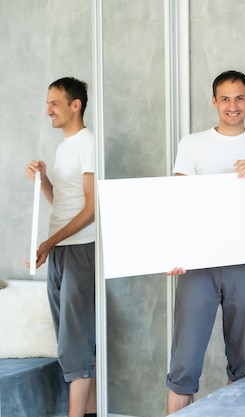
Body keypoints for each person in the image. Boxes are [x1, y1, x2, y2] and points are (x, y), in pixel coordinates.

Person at [165, 70, 245, 414]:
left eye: (239, 98)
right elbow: (178, 205)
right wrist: (173, 253)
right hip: (198, 265)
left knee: (244, 362)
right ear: (214, 101)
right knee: (184, 363)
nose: (232, 106)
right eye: (225, 98)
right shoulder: (191, 145)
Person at [25, 77, 97, 417]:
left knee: (75, 343)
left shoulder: (88, 143)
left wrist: (50, 241)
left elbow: (91, 209)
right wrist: (45, 181)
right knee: (74, 342)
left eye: (54, 103)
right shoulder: (63, 147)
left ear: (75, 105)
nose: (48, 110)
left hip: (80, 250)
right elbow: (63, 205)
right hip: (60, 250)